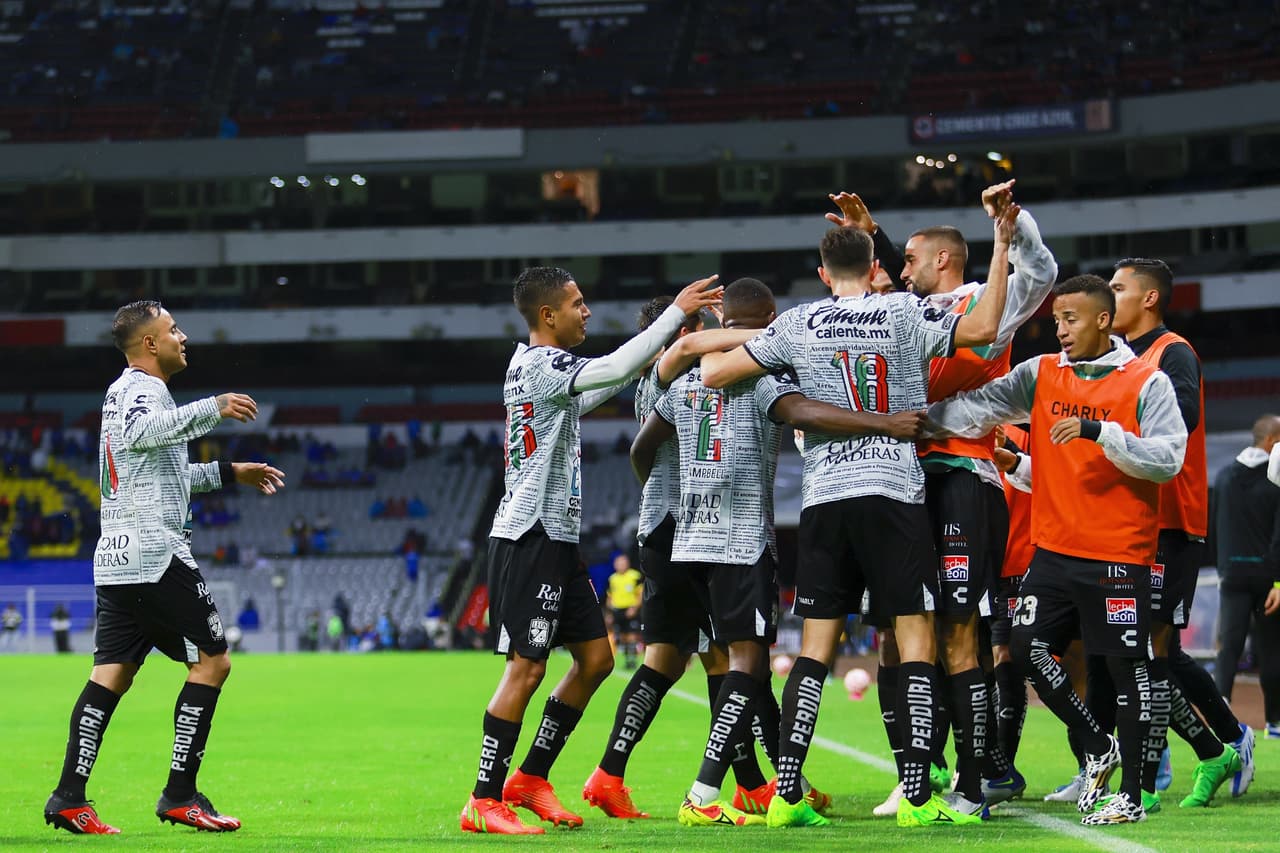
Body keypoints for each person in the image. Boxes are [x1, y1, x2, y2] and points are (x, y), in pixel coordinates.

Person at [699, 206, 1017, 828]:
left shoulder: (796, 323)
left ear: (822, 273)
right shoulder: (904, 311)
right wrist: (1001, 245)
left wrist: (747, 345)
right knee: (916, 641)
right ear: (874, 267)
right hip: (895, 493)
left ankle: (787, 796)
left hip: (824, 499)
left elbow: (714, 372)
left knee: (816, 648)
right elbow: (983, 324)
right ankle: (919, 799)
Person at [642, 277, 928, 829]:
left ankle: (754, 785)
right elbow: (802, 413)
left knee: (725, 664)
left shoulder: (678, 384)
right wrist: (884, 422)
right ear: (769, 318)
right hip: (743, 539)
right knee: (747, 668)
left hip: (686, 538)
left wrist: (665, 509)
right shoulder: (763, 377)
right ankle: (703, 795)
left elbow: (642, 444)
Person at [460, 267, 722, 835]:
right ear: (547, 315)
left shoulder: (544, 373)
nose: (587, 311)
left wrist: (659, 360)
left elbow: (605, 383)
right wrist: (675, 316)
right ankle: (483, 799)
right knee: (525, 668)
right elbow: (612, 369)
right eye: (577, 304)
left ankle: (529, 779)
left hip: (555, 539)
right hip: (527, 535)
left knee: (597, 660)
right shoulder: (539, 364)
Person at [926, 274, 1191, 825]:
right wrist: (915, 423)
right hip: (1053, 551)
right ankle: (1098, 745)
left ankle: (1134, 797)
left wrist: (1102, 435)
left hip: (1119, 552)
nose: (1060, 329)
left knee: (1124, 670)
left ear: (1102, 320)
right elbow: (982, 405)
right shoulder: (1042, 372)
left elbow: (1168, 459)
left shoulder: (1146, 383)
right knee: (1022, 649)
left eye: (1070, 319)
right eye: (1056, 320)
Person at [831, 181, 1057, 816]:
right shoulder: (908, 313)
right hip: (900, 483)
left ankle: (972, 780)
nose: (901, 271)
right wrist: (867, 238)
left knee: (961, 632)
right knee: (898, 635)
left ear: (944, 261)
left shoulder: (981, 301)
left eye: (908, 258)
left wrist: (1011, 228)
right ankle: (915, 774)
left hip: (963, 476)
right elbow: (867, 303)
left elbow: (1041, 273)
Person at [43, 300, 285, 835]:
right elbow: (142, 435)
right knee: (214, 662)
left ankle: (68, 797)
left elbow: (160, 473)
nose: (183, 336)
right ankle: (179, 793)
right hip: (155, 553)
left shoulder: (127, 393)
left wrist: (229, 471)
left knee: (111, 674)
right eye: (173, 329)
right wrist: (214, 406)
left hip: (115, 557)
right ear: (149, 343)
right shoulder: (141, 391)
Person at [584, 295, 800, 821]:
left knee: (684, 657)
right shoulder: (674, 370)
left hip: (666, 528)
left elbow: (643, 450)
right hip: (688, 528)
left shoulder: (655, 381)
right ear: (683, 331)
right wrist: (776, 336)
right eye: (702, 330)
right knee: (726, 658)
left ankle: (615, 774)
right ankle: (737, 786)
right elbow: (692, 352)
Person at [1110, 257, 1255, 805]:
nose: (1112, 297)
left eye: (1120, 289)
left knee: (1154, 654)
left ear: (1149, 298)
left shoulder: (1171, 352)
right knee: (1139, 654)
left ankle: (1160, 775)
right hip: (1132, 521)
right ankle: (1218, 745)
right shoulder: (1128, 357)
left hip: (1172, 520)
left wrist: (1109, 427)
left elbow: (1183, 417)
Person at [1212, 415, 1280, 735]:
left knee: (1229, 649)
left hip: (1233, 574)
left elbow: (1218, 527)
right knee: (1271, 651)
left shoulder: (1224, 476)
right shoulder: (1276, 481)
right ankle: (1275, 723)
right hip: (1268, 579)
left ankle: (1220, 715)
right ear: (1272, 442)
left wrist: (1225, 568)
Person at [606, 552, 643, 670]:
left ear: (627, 563)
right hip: (617, 610)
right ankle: (627, 660)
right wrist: (610, 613)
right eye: (618, 563)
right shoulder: (612, 578)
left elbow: (640, 593)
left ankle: (633, 661)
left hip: (630, 608)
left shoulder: (635, 576)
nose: (621, 565)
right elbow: (610, 596)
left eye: (623, 562)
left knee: (631, 636)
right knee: (622, 637)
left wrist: (634, 608)